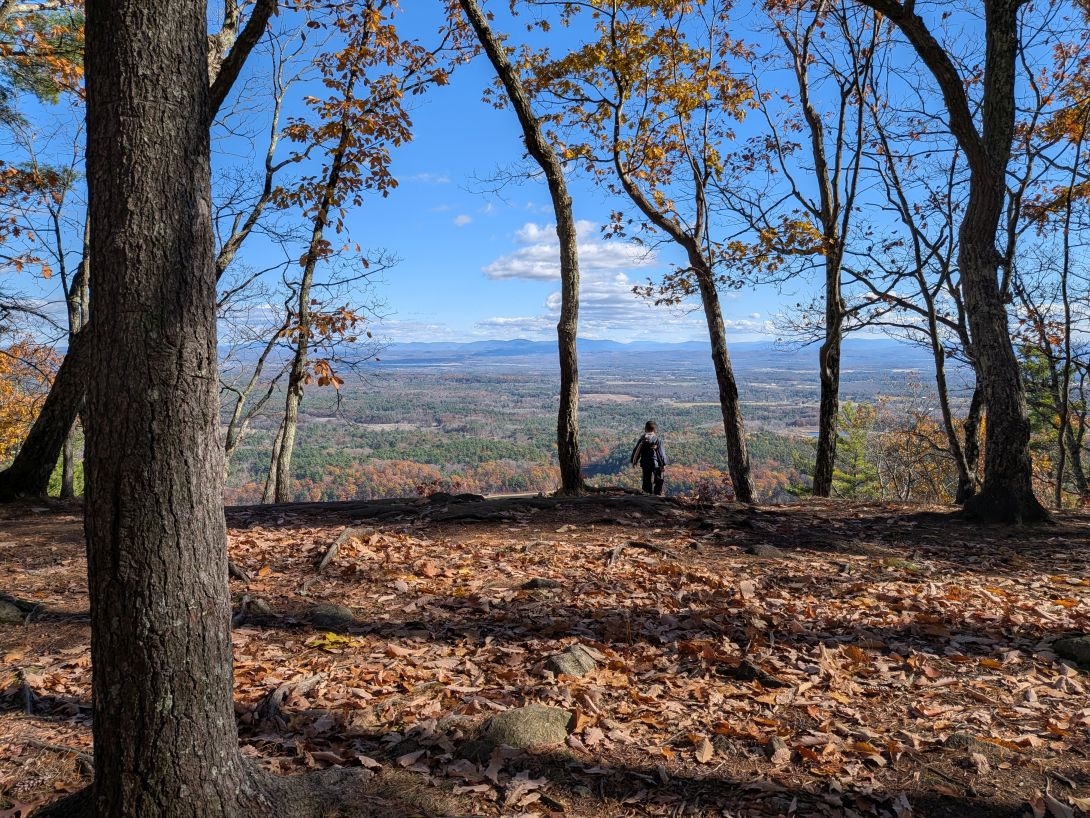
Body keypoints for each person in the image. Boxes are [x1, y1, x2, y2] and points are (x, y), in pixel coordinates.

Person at [630, 420, 667, 495]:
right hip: (656, 463)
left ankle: (647, 494)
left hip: (645, 463)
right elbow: (661, 453)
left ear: (645, 429)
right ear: (655, 430)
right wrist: (663, 464)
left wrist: (634, 461)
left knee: (646, 479)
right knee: (659, 479)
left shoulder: (642, 439)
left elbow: (636, 451)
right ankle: (657, 494)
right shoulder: (657, 440)